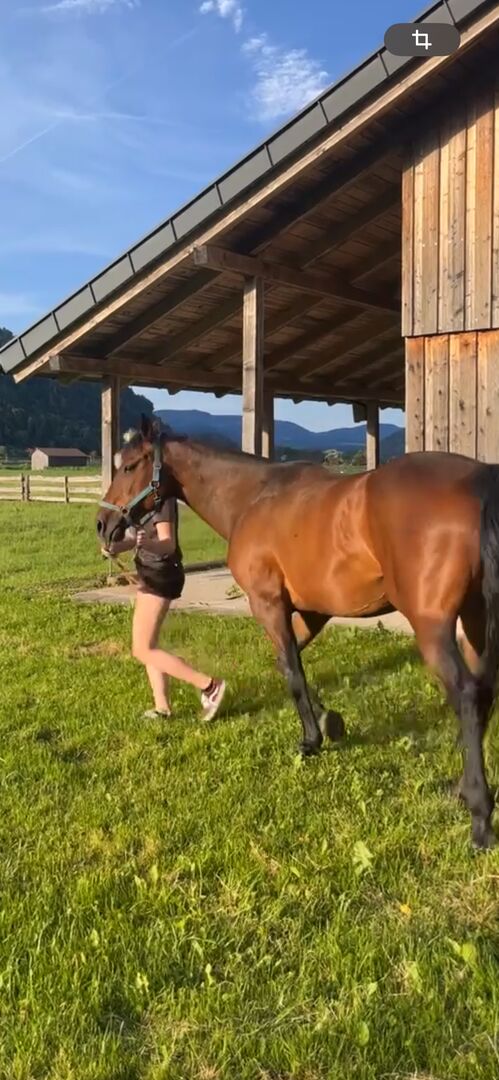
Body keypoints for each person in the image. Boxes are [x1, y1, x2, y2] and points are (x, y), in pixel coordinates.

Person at [101, 495, 226, 722]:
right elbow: (135, 538)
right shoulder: (141, 501)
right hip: (149, 573)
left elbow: (168, 544)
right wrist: (115, 547)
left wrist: (147, 544)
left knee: (143, 649)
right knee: (147, 646)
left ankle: (209, 686)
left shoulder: (162, 502)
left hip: (161, 574)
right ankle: (162, 707)